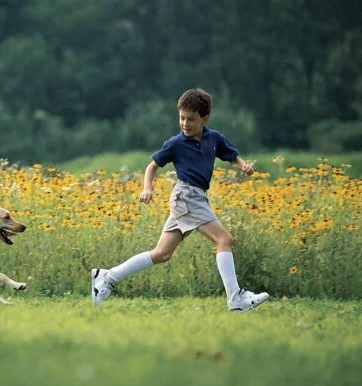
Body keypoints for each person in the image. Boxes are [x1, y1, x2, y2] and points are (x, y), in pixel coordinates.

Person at [91, 88, 269, 311]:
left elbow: (230, 156)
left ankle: (105, 277)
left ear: (205, 119)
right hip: (186, 197)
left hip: (195, 198)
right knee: (224, 240)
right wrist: (147, 188)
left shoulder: (214, 139)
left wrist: (242, 165)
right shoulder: (176, 143)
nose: (185, 123)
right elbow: (152, 166)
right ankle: (236, 300)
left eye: (191, 119)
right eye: (181, 118)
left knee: (162, 254)